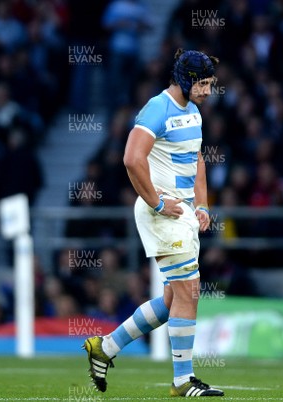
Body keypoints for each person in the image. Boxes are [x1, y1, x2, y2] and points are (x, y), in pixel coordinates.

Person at [83, 48, 224, 397]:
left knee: (170, 299)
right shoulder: (157, 108)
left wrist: (202, 204)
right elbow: (132, 158)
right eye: (204, 84)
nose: (208, 91)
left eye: (210, 84)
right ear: (187, 80)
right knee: (190, 292)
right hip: (163, 214)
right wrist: (158, 202)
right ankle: (182, 382)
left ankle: (105, 347)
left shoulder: (193, 112)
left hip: (182, 213)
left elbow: (197, 161)